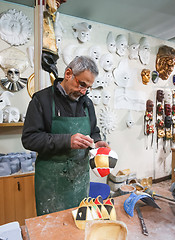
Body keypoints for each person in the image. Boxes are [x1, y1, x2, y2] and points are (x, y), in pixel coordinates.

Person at [22, 56, 109, 216]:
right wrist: (67, 141)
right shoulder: (42, 100)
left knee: (78, 226)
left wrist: (97, 143)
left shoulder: (87, 103)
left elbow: (93, 130)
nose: (83, 91)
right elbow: (29, 138)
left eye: (88, 88)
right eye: (81, 84)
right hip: (51, 182)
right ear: (68, 73)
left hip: (79, 179)